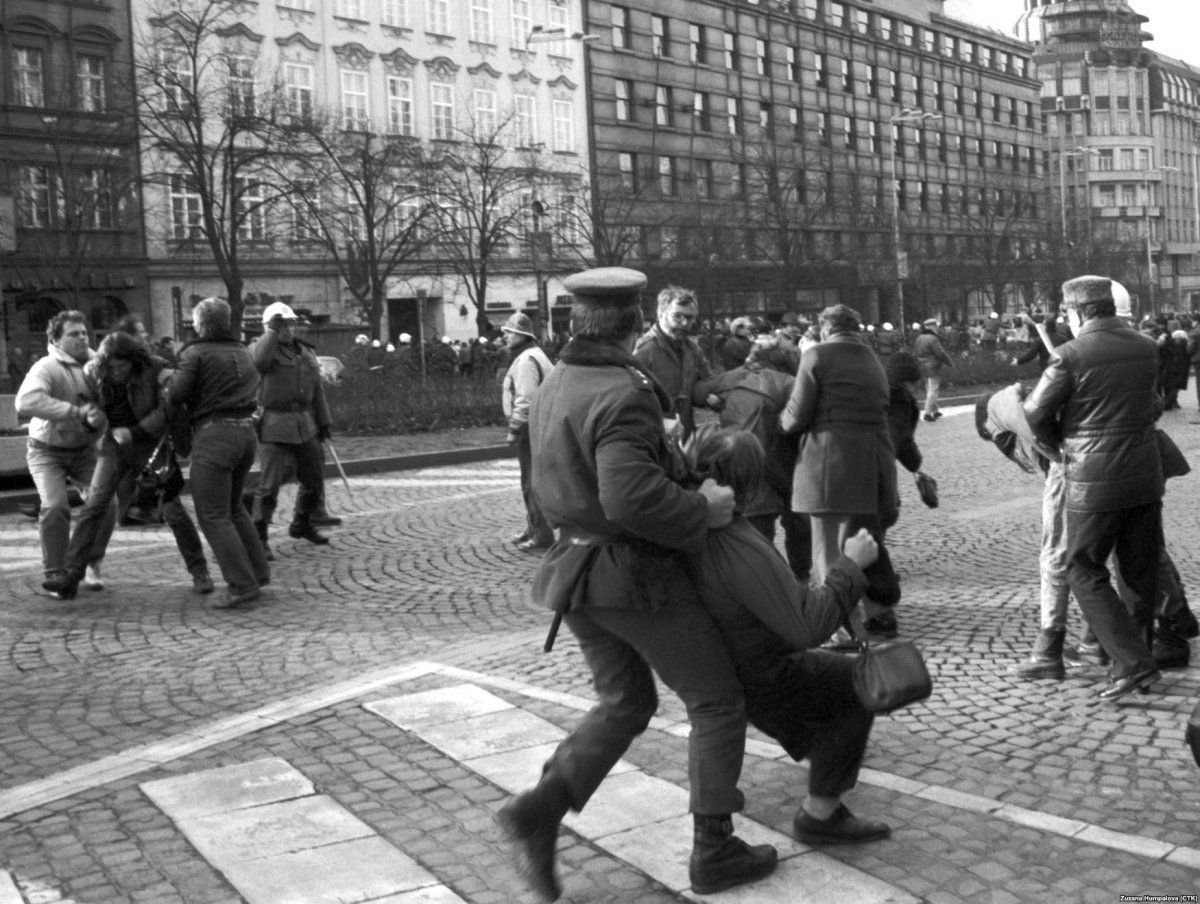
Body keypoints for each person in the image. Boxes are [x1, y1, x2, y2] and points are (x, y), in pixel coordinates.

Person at [497, 267, 777, 902]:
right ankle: (714, 849)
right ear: (631, 323)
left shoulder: (556, 380)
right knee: (715, 699)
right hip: (630, 574)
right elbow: (627, 496)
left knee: (625, 703)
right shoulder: (622, 391)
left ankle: (539, 810)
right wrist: (701, 509)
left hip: (574, 570)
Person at [684, 426, 892, 845]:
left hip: (725, 664)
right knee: (859, 684)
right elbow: (807, 628)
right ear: (752, 482)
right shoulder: (742, 545)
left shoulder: (683, 529)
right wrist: (851, 565)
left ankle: (826, 754)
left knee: (826, 697)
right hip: (761, 671)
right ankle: (821, 813)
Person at [1023, 275, 1163, 700]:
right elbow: (1155, 404)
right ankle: (1136, 661)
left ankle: (1133, 662)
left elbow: (1032, 414)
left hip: (1093, 479)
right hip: (1144, 473)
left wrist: (1056, 442)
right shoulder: (1145, 346)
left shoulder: (1069, 356)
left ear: (1079, 311)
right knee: (1139, 572)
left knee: (1082, 569)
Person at [41, 332, 214, 599]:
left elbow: (167, 410)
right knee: (94, 506)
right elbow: (89, 413)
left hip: (149, 444)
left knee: (172, 509)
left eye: (121, 367)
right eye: (111, 367)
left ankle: (199, 570)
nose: (116, 372)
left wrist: (135, 432)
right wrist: (90, 420)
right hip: (114, 445)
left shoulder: (154, 369)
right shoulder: (95, 372)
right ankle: (72, 575)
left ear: (133, 361)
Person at [780, 304, 898, 636]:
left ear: (826, 328)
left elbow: (796, 414)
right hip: (872, 457)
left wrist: (781, 423)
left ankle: (839, 625)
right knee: (862, 537)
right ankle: (881, 613)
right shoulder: (872, 357)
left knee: (826, 545)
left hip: (829, 459)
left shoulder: (817, 355)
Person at [168, 297, 270, 609]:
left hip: (214, 435)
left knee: (213, 514)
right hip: (245, 434)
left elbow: (176, 394)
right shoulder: (241, 350)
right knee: (234, 508)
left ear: (199, 324)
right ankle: (257, 571)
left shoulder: (195, 353)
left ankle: (241, 584)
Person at [15, 310, 116, 597]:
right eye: (74, 334)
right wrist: (75, 412)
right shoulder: (47, 367)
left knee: (107, 504)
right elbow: (26, 401)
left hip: (85, 451)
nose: (82, 338)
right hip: (47, 451)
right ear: (56, 340)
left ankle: (91, 562)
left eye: (84, 333)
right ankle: (55, 571)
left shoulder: (99, 365)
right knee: (56, 506)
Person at [707, 339, 810, 581]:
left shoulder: (731, 380)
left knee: (756, 533)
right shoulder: (788, 382)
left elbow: (700, 392)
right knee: (797, 526)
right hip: (781, 463)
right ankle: (797, 578)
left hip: (739, 463)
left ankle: (766, 579)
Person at [250, 302, 335, 559]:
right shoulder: (261, 348)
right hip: (274, 424)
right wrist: (271, 332)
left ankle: (302, 522)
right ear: (270, 326)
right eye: (282, 324)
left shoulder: (304, 351)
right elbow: (258, 362)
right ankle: (259, 535)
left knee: (314, 478)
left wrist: (324, 422)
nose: (289, 328)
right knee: (270, 484)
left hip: (304, 422)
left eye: (290, 323)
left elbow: (317, 390)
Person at [633, 284, 721, 441]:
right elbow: (630, 402)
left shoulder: (692, 348)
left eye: (690, 318)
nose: (685, 323)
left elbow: (707, 381)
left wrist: (711, 396)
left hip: (686, 436)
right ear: (660, 313)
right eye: (678, 316)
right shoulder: (643, 351)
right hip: (654, 439)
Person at [500, 312, 554, 553]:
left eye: (509, 332)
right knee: (532, 480)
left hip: (531, 428)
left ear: (522, 336)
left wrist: (514, 429)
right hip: (540, 426)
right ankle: (533, 526)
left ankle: (541, 533)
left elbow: (525, 399)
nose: (505, 336)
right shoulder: (535, 355)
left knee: (531, 482)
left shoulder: (525, 361)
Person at [913, 318, 954, 422]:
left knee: (929, 388)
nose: (937, 328)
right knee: (933, 390)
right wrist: (949, 362)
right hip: (933, 366)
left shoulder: (919, 337)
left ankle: (935, 411)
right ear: (932, 326)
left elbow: (915, 352)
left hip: (922, 366)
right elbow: (940, 353)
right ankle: (927, 413)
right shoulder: (933, 338)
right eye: (936, 326)